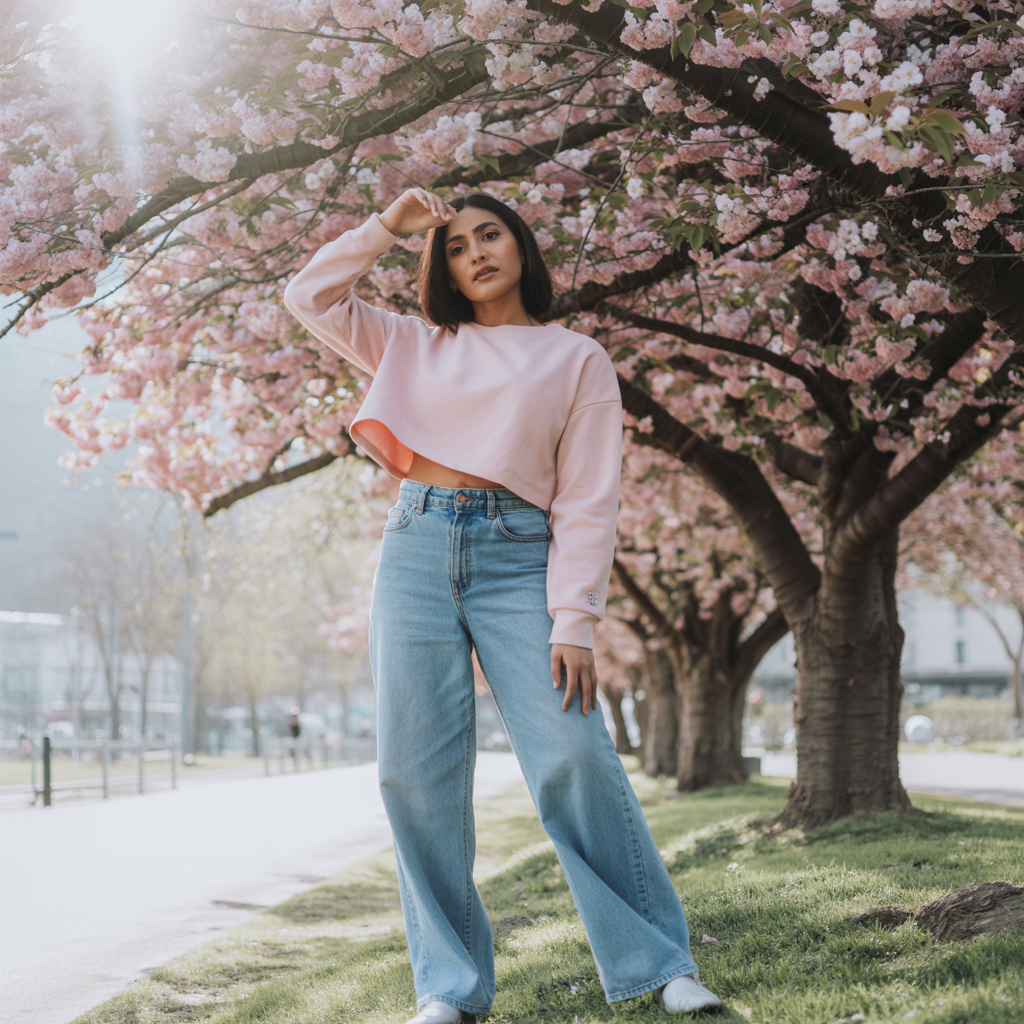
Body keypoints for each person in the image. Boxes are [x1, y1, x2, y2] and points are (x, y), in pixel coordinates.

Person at [283, 189, 721, 1022]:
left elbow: (589, 497)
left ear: (521, 246)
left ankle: (661, 966)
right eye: (454, 247)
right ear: (442, 269)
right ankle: (448, 990)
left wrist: (575, 619)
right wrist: (385, 228)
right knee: (413, 772)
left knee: (573, 754)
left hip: (520, 555)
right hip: (415, 549)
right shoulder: (412, 343)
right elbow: (308, 295)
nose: (476, 253)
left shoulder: (576, 358)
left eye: (490, 236)